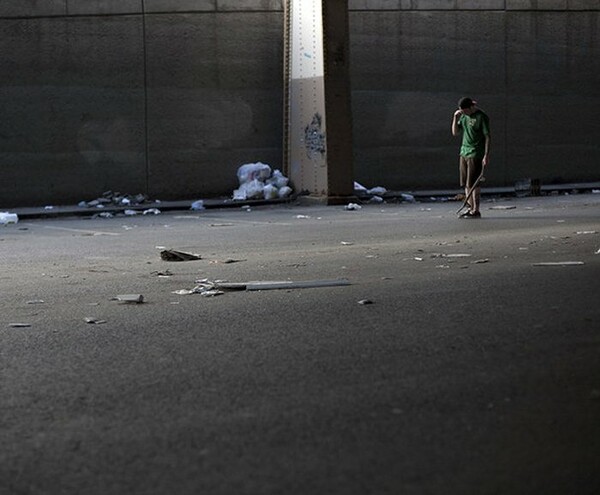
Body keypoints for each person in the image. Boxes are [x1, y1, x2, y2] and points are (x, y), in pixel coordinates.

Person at [451, 97, 490, 218]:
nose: (464, 113)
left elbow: (487, 137)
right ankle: (470, 207)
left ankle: (476, 210)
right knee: (465, 183)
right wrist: (455, 118)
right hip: (464, 152)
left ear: (471, 107)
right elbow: (455, 132)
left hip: (476, 153)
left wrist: (486, 155)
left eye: (465, 111)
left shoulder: (481, 117)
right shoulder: (463, 116)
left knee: (474, 183)